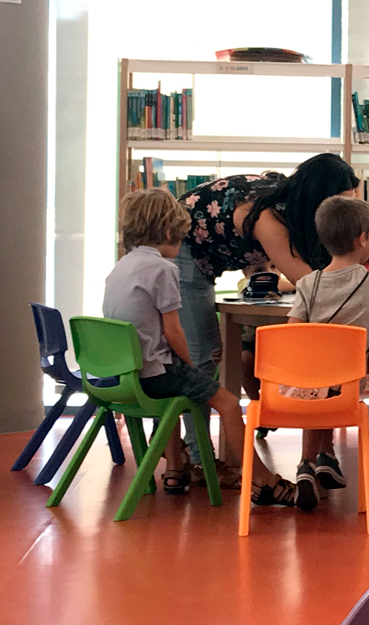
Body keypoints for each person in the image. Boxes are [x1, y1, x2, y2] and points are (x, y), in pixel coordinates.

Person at [175, 153, 369, 500]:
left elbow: (361, 248)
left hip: (223, 255)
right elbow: (308, 283)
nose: (348, 211)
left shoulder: (301, 210)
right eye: (344, 201)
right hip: (186, 248)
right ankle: (198, 460)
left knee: (214, 354)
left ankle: (312, 459)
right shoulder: (269, 218)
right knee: (204, 355)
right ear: (322, 199)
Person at [102, 189, 262, 499]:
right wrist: (192, 364)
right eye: (179, 238)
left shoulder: (119, 267)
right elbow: (174, 330)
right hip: (155, 377)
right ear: (166, 232)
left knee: (177, 383)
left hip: (124, 375)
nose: (181, 245)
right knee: (227, 403)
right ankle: (259, 479)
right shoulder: (164, 269)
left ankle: (175, 468)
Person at [285, 196, 369, 511]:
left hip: (301, 387)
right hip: (348, 386)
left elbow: (293, 327)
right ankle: (329, 462)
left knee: (317, 382)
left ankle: (307, 465)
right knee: (333, 384)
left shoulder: (309, 282)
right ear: (363, 239)